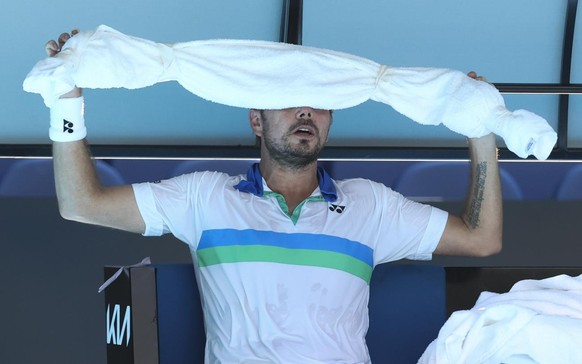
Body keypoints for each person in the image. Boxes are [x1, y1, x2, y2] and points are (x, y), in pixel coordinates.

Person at [46, 31, 502, 363]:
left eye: (320, 102)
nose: (306, 110)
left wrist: (479, 129)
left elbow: (481, 240)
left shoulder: (372, 205)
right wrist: (65, 100)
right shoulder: (203, 196)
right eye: (288, 98)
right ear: (256, 121)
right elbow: (82, 204)